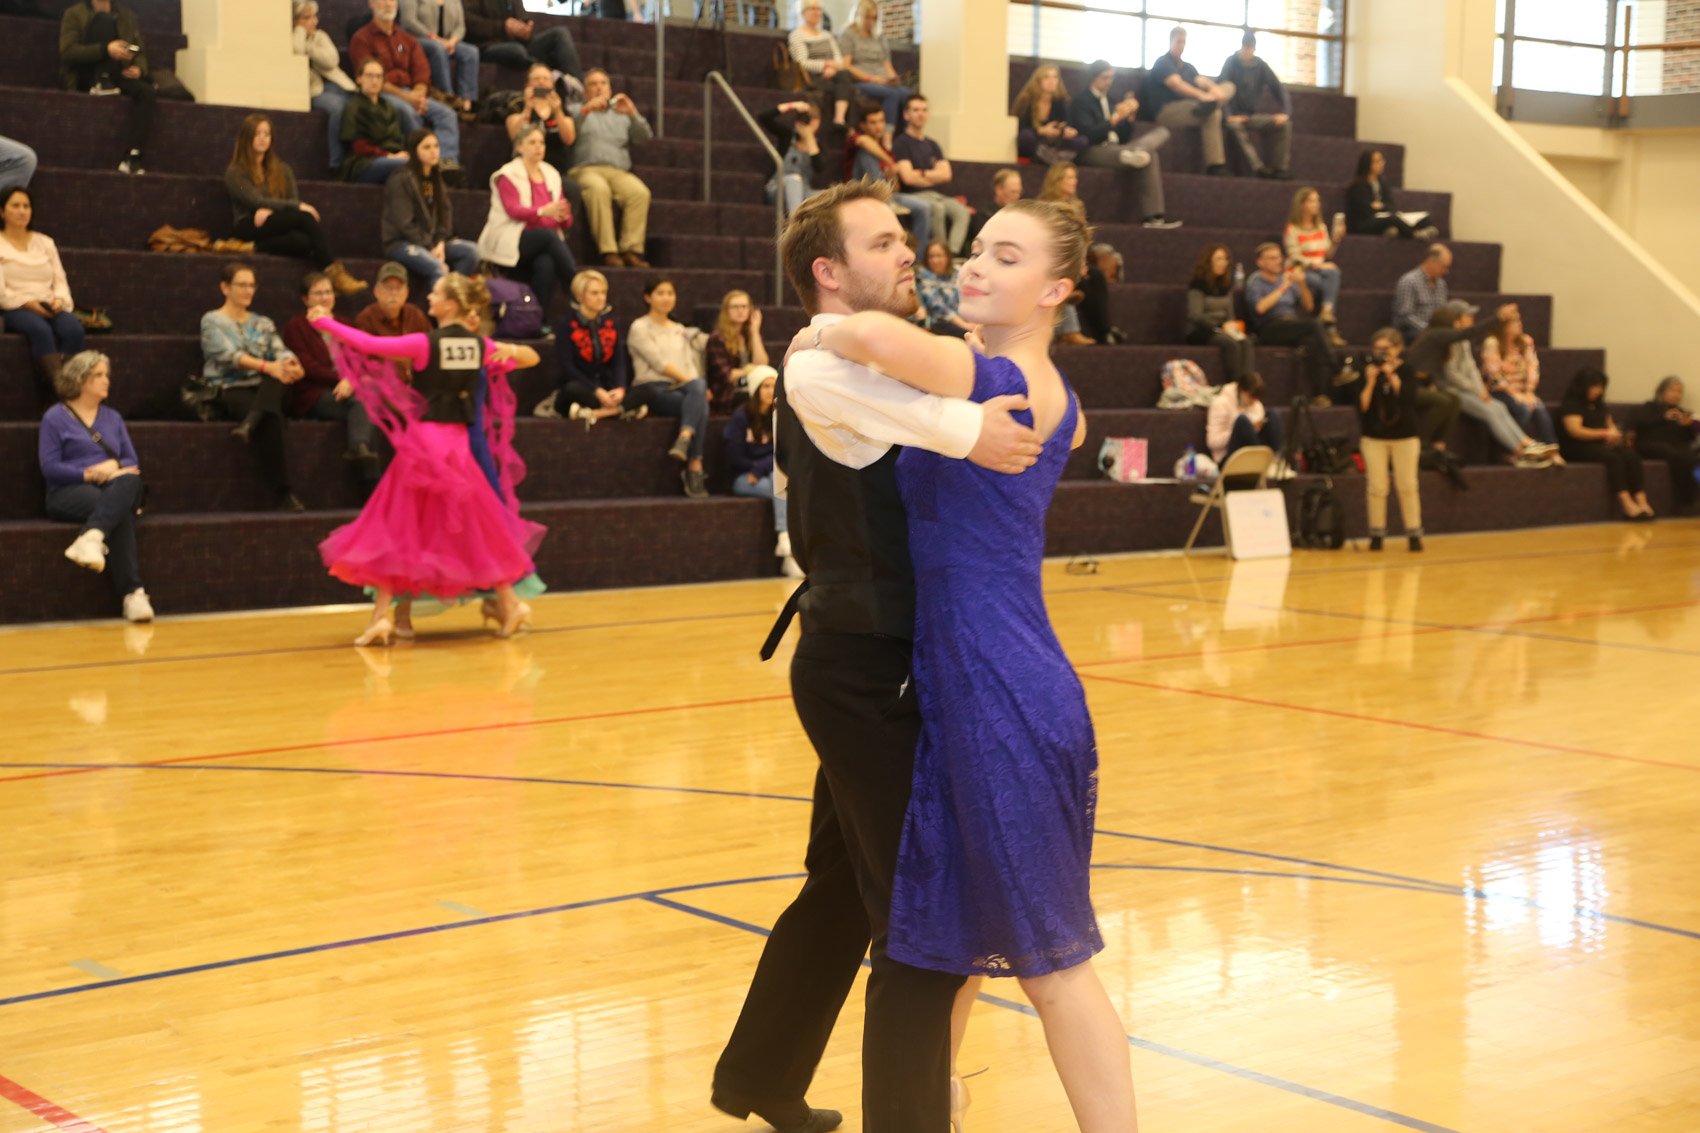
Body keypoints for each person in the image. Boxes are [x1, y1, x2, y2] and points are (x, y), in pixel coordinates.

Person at [792, 196, 1138, 1133]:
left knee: (1054, 967)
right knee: (951, 932)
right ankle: (929, 1105)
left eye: (1008, 257)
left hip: (999, 688)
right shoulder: (1005, 382)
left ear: (1056, 290)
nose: (977, 265)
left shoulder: (999, 374)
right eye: (979, 247)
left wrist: (818, 329)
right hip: (961, 679)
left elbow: (872, 335)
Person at [711, 178, 1047, 1133]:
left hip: (877, 664)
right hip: (866, 674)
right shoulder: (822, 367)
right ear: (828, 270)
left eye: (906, 237)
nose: (909, 252)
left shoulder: (862, 357)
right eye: (884, 242)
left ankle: (759, 1076)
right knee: (924, 921)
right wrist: (971, 423)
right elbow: (964, 421)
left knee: (839, 889)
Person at [307, 272, 545, 643]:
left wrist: (326, 323)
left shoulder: (424, 344)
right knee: (476, 526)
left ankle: (383, 618)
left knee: (397, 526)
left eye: (435, 293)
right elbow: (532, 357)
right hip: (457, 447)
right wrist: (510, 352)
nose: (429, 298)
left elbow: (369, 343)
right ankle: (510, 604)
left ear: (449, 304)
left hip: (424, 445)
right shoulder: (478, 345)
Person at [39, 350, 153, 621]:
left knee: (131, 481)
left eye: (107, 375)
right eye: (99, 375)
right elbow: (50, 467)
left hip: (113, 486)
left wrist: (112, 466)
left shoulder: (112, 417)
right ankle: (133, 593)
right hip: (68, 491)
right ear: (80, 379)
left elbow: (130, 461)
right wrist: (88, 474)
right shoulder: (55, 417)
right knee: (119, 510)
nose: (106, 380)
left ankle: (91, 537)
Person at [200, 262, 307, 511]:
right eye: (242, 285)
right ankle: (284, 493)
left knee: (277, 380)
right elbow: (228, 356)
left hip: (264, 386)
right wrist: (269, 367)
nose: (248, 291)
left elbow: (281, 351)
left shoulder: (263, 322)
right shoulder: (212, 320)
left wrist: (293, 365)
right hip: (231, 387)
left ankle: (250, 423)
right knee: (272, 416)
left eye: (252, 285)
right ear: (225, 288)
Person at [225, 113, 368, 296]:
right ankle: (334, 273)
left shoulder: (283, 170)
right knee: (304, 217)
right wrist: (290, 207)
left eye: (267, 134)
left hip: (275, 222)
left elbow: (292, 198)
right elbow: (254, 200)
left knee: (303, 243)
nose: (262, 138)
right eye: (257, 133)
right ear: (247, 137)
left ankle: (253, 247)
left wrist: (273, 210)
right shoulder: (236, 173)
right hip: (250, 223)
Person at [1413, 301, 1557, 468]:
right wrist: (1498, 317)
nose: (1472, 318)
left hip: (1468, 389)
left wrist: (1480, 389)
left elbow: (1471, 368)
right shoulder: (1445, 338)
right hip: (1451, 388)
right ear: (1456, 319)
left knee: (1498, 407)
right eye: (1468, 316)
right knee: (1488, 411)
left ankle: (1527, 444)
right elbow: (1452, 375)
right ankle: (1521, 452)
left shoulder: (1462, 341)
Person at [282, 271, 381, 484]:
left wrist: (351, 381)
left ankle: (362, 452)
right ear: (305, 299)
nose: (325, 297)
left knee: (369, 404)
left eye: (328, 292)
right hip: (313, 393)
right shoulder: (296, 326)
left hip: (349, 389)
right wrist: (343, 379)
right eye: (318, 293)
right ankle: (365, 465)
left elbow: (362, 358)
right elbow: (308, 366)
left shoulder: (345, 323)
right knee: (365, 403)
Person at [349, 0, 464, 179]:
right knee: (408, 112)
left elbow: (421, 71)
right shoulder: (361, 38)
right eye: (383, 0)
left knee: (447, 114)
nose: (388, 4)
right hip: (383, 93)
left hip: (412, 92)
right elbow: (372, 79)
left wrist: (418, 94)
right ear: (371, 4)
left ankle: (445, 162)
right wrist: (410, 99)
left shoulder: (407, 39)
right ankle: (421, 164)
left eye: (392, 0)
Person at [626, 275, 711, 499]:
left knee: (699, 395)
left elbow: (689, 364)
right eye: (660, 293)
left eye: (670, 293)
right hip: (652, 388)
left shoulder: (679, 328)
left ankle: (685, 437)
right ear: (648, 297)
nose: (666, 298)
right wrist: (695, 385)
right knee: (700, 402)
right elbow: (659, 364)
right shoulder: (640, 327)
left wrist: (696, 385)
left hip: (682, 388)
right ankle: (694, 466)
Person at [477, 124, 578, 312]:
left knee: (546, 264)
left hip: (543, 241)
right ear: (519, 147)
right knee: (548, 236)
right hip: (511, 236)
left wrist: (563, 217)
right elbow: (513, 210)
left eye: (541, 142)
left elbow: (563, 217)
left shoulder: (551, 174)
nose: (538, 147)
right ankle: (575, 284)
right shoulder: (507, 174)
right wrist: (542, 211)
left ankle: (538, 318)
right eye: (532, 142)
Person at [1343, 327, 1425, 551]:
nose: (1381, 353)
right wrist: (1370, 381)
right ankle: (1376, 534)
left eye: (1386, 349)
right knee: (1376, 486)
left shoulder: (1407, 370)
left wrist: (1391, 376)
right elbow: (1362, 406)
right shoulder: (1365, 370)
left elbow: (1409, 400)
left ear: (1398, 349)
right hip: (1374, 437)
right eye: (1377, 349)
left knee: (1407, 485)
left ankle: (1414, 533)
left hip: (1406, 437)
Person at [1067, 60, 1176, 228]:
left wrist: (1129, 119)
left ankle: (1154, 216)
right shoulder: (1081, 101)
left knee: (1162, 132)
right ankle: (1135, 155)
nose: (1109, 82)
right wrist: (1115, 118)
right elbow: (1089, 134)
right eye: (1105, 77)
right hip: (1094, 149)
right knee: (1150, 154)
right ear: (1094, 77)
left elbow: (1123, 136)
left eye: (1111, 77)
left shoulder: (1111, 101)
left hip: (1118, 147)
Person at [1, 186, 84, 404]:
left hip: (48, 302)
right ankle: (63, 396)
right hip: (15, 305)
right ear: (2, 211)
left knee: (74, 330)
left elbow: (60, 280)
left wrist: (59, 300)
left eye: (26, 206)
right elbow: (1, 293)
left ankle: (68, 387)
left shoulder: (45, 242)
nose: (22, 211)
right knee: (40, 330)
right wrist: (27, 303)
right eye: (15, 206)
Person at [568, 68, 653, 268]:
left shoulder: (621, 114)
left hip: (618, 171)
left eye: (603, 83)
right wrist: (586, 110)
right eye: (593, 84)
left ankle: (631, 250)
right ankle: (609, 251)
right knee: (598, 189)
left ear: (610, 89)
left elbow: (644, 137)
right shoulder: (576, 110)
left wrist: (633, 113)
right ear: (585, 91)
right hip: (585, 169)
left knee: (640, 192)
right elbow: (566, 133)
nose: (599, 88)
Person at [58, 0, 156, 174]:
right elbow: (68, 52)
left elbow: (139, 50)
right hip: (87, 74)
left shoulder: (126, 16)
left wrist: (139, 69)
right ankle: (101, 80)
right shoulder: (74, 13)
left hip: (118, 73)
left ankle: (133, 155)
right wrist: (105, 50)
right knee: (103, 19)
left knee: (147, 93)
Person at [724, 368, 803, 579]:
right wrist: (758, 468)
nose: (770, 391)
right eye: (765, 386)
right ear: (755, 389)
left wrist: (761, 468)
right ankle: (786, 540)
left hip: (766, 473)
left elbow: (782, 451)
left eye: (773, 386)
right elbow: (734, 457)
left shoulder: (779, 415)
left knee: (780, 485)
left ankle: (787, 546)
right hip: (743, 477)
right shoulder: (741, 416)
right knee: (781, 488)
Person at [383, 128, 479, 287]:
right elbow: (404, 223)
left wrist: (440, 242)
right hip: (402, 242)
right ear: (414, 151)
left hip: (433, 241)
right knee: (438, 268)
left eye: (436, 146)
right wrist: (429, 246)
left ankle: (452, 294)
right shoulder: (400, 179)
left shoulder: (435, 178)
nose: (433, 151)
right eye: (427, 147)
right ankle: (443, 300)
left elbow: (444, 214)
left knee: (472, 252)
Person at [1243, 241, 1336, 405]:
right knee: (1314, 325)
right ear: (1260, 262)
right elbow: (1260, 308)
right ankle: (1336, 367)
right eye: (1272, 258)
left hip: (1291, 325)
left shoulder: (1287, 279)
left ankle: (1319, 395)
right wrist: (1283, 287)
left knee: (1312, 342)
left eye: (1279, 257)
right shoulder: (1255, 281)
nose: (1278, 261)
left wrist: (1301, 283)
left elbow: (1309, 306)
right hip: (1269, 327)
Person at [1559, 367, 1652, 521]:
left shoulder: (1599, 405)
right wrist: (1604, 434)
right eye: (1595, 386)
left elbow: (1610, 425)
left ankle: (1642, 502)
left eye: (1601, 386)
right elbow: (1575, 431)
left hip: (1599, 444)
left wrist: (1614, 435)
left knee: (1632, 456)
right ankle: (1627, 504)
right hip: (1577, 446)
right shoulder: (1572, 404)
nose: (1599, 390)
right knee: (1613, 458)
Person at [547, 268, 635, 426]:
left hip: (607, 388)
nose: (601, 297)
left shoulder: (610, 324)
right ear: (580, 296)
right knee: (571, 390)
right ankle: (621, 410)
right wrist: (597, 391)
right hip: (583, 387)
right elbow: (568, 367)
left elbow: (619, 362)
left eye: (603, 292)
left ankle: (597, 413)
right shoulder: (566, 325)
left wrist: (620, 388)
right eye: (594, 293)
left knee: (648, 391)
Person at [1144, 26, 1235, 176]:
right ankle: (1215, 165)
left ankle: (1209, 107)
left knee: (1228, 88)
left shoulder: (1188, 67)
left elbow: (1202, 81)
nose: (1181, 45)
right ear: (1171, 41)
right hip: (1168, 110)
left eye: (1184, 42)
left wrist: (1215, 92)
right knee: (1213, 113)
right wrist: (1203, 96)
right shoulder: (1163, 62)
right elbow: (1176, 84)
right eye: (1178, 41)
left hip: (1192, 107)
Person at [891, 95, 971, 256]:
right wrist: (933, 176)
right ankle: (938, 257)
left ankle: (951, 254)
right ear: (906, 115)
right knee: (937, 208)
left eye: (924, 110)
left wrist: (921, 173)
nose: (920, 114)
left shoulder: (933, 144)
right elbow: (908, 178)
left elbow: (947, 175)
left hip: (936, 194)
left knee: (962, 212)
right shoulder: (901, 143)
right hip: (912, 195)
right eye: (916, 110)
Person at [846, 103, 932, 251]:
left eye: (881, 121)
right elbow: (864, 141)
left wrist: (892, 176)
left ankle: (917, 258)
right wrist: (890, 163)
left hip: (889, 194)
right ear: (863, 125)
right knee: (866, 153)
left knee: (924, 207)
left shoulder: (885, 150)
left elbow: (896, 188)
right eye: (873, 122)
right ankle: (884, 198)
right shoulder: (857, 140)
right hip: (861, 192)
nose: (879, 126)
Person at [1218, 31, 1291, 179]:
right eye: (1245, 47)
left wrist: (1286, 112)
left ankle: (1279, 169)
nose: (1246, 51)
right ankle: (1258, 168)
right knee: (1235, 127)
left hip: (1250, 116)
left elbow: (1278, 88)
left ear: (1254, 49)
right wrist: (1228, 116)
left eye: (1249, 48)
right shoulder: (1230, 62)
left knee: (1284, 125)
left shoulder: (1261, 66)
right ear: (1241, 47)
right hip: (1232, 117)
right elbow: (1220, 92)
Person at [1480, 309, 1557, 446]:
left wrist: (1529, 391)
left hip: (1522, 391)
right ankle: (1512, 448)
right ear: (1503, 326)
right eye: (1514, 321)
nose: (1519, 324)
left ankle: (1550, 448)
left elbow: (1533, 367)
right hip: (1499, 391)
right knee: (1524, 409)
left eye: (1519, 320)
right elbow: (1493, 374)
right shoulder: (1492, 343)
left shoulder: (1526, 341)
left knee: (1538, 407)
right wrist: (1513, 393)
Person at [294, 1, 355, 171]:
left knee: (359, 105)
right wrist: (300, 31)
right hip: (316, 91)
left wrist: (310, 47)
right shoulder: (292, 37)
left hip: (339, 85)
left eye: (315, 16)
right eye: (307, 18)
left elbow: (331, 61)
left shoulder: (320, 36)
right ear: (295, 20)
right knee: (338, 107)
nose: (314, 21)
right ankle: (337, 161)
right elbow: (297, 51)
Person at [464, 0, 583, 86]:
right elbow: (468, 22)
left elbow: (524, 19)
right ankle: (547, 72)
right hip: (487, 45)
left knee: (560, 33)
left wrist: (527, 30)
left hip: (519, 43)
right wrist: (502, 27)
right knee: (516, 51)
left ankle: (579, 88)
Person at [1185, 242, 1254, 385]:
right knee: (1231, 344)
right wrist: (1220, 327)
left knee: (1246, 342)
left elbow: (1230, 313)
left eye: (1225, 259)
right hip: (1202, 330)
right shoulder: (1197, 284)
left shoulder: (1226, 285)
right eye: (1219, 259)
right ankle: (1234, 386)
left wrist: (1232, 327)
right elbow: (1195, 315)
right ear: (1208, 261)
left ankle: (1248, 385)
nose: (1224, 263)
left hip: (1224, 329)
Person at [1282, 185, 1345, 338]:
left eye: (1317, 200)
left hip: (1320, 269)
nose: (1316, 204)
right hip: (1299, 270)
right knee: (1325, 282)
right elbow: (1294, 256)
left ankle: (1326, 313)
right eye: (1311, 201)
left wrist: (1336, 240)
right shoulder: (1292, 229)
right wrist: (1315, 264)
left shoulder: (1321, 227)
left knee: (1333, 273)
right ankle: (1329, 328)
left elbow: (1327, 254)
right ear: (1301, 204)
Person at [838, 0, 912, 129]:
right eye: (867, 17)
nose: (871, 21)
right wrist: (872, 79)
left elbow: (886, 64)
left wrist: (894, 79)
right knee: (892, 94)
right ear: (859, 15)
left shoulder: (879, 37)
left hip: (883, 80)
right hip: (862, 81)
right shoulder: (848, 35)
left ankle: (908, 133)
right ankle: (887, 134)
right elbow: (846, 66)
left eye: (874, 18)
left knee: (907, 94)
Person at [340, 58, 415, 185]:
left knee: (423, 163)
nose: (374, 80)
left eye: (379, 76)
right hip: (364, 163)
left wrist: (401, 154)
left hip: (392, 156)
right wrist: (388, 155)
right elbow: (359, 147)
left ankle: (427, 197)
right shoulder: (354, 107)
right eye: (369, 75)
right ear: (359, 79)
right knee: (408, 166)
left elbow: (397, 138)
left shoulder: (388, 107)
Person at [1630, 376, 1698, 515]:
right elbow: (1638, 423)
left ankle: (1694, 500)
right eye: (1672, 390)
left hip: (1675, 446)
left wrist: (1686, 426)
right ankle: (1685, 502)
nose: (1676, 395)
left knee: (1691, 457)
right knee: (1679, 457)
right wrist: (1663, 417)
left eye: (1679, 392)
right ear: (1661, 391)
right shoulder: (1649, 407)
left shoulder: (1681, 412)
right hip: (1650, 444)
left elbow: (1689, 439)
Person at [398, 0, 478, 116]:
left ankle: (466, 103)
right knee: (437, 49)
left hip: (447, 41)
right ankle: (448, 99)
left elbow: (460, 26)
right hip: (417, 39)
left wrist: (452, 41)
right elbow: (408, 21)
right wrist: (435, 39)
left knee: (470, 52)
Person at [789, 0, 855, 127]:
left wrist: (833, 69)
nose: (817, 12)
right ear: (803, 13)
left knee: (845, 77)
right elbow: (801, 63)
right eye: (813, 9)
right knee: (847, 88)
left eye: (819, 9)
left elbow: (839, 60)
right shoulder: (796, 35)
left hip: (834, 75)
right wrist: (825, 65)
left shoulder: (827, 35)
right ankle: (841, 122)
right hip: (812, 77)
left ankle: (840, 120)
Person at [1346, 149, 1438, 240]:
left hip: (1384, 217)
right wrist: (1379, 208)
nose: (1381, 164)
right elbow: (1364, 209)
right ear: (1368, 164)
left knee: (1424, 218)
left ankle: (1394, 231)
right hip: (1366, 223)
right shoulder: (1358, 186)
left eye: (1382, 161)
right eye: (1377, 161)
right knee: (1393, 219)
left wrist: (1381, 206)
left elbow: (1391, 205)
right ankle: (1414, 234)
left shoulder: (1382, 184)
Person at [759, 97, 828, 217]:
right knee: (793, 179)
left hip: (804, 191)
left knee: (829, 195)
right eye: (804, 118)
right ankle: (794, 221)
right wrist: (792, 106)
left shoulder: (818, 146)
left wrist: (810, 138)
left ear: (818, 122)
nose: (807, 122)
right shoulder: (787, 136)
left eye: (811, 119)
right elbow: (764, 118)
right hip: (778, 188)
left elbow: (820, 167)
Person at [706, 289, 770, 411]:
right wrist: (749, 370)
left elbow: (762, 365)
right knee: (760, 396)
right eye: (735, 307)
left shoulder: (748, 336)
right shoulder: (717, 338)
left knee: (771, 393)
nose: (740, 310)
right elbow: (727, 375)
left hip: (748, 386)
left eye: (744, 306)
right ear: (726, 311)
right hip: (727, 393)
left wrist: (755, 332)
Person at [1011, 65, 1086, 165]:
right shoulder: (1026, 99)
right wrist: (1041, 130)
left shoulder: (1060, 100)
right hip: (1035, 139)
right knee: (1027, 137)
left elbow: (1066, 122)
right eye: (1046, 77)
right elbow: (1019, 127)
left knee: (1082, 140)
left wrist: (1066, 130)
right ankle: (1051, 156)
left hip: (1053, 140)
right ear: (1038, 81)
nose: (1051, 81)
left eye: (1055, 77)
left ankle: (1048, 155)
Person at [1206, 371, 1281, 464]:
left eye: (1256, 398)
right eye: (1251, 396)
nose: (1254, 401)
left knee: (1273, 414)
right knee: (1242, 421)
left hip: (1254, 449)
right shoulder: (1220, 403)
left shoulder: (1256, 404)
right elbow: (1212, 442)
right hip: (1228, 456)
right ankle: (1262, 461)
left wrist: (1255, 429)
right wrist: (1237, 430)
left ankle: (1277, 460)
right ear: (1241, 390)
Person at [1392, 243, 1451, 344]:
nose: (1446, 271)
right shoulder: (1409, 281)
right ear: (1431, 261)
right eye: (1444, 267)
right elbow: (1404, 315)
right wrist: (1428, 330)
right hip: (1413, 333)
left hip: (1435, 333)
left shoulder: (1442, 285)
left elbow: (1443, 312)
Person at [916, 240, 971, 338]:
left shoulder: (957, 273)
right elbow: (938, 308)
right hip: (941, 323)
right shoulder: (923, 277)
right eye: (931, 256)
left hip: (965, 317)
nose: (935, 260)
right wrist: (965, 325)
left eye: (939, 256)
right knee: (970, 335)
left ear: (947, 257)